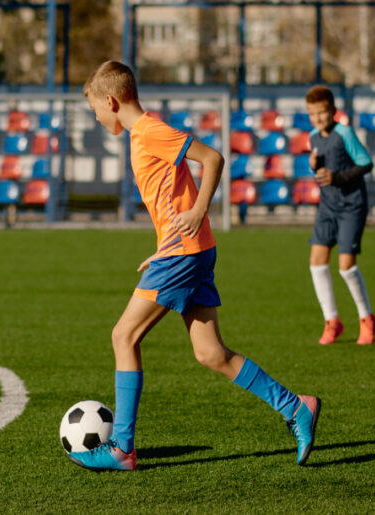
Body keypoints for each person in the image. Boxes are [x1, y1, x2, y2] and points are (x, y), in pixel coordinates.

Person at [69, 60, 320, 471]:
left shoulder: (150, 131)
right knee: (211, 354)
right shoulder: (141, 134)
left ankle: (122, 449)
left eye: (96, 108)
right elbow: (172, 197)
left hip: (185, 252)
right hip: (187, 250)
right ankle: (297, 408)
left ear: (111, 102)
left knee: (123, 336)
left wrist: (201, 211)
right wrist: (164, 244)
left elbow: (213, 157)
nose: (96, 116)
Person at [304, 86, 375, 345]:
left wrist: (338, 177)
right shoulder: (313, 136)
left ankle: (367, 318)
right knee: (316, 262)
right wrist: (314, 165)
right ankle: (332, 321)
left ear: (333, 111)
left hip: (351, 205)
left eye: (322, 112)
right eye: (312, 114)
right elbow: (320, 165)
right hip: (327, 206)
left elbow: (366, 163)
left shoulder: (344, 132)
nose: (317, 119)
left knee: (346, 267)